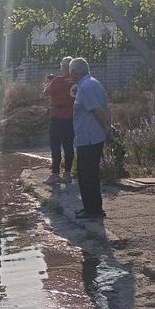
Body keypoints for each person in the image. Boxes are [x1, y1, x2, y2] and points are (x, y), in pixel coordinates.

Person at [69, 57, 110, 220]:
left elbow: (98, 111)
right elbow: (106, 108)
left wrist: (106, 130)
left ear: (75, 72)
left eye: (71, 72)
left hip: (89, 138)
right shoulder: (94, 83)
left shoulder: (86, 87)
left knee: (87, 175)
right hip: (90, 136)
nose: (70, 76)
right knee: (88, 174)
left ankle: (93, 210)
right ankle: (90, 207)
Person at [43, 56, 75, 184]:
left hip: (57, 115)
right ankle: (67, 173)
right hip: (71, 115)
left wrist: (48, 83)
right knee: (68, 145)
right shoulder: (76, 81)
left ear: (63, 67)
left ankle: (55, 173)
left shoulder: (56, 81)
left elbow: (45, 93)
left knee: (55, 145)